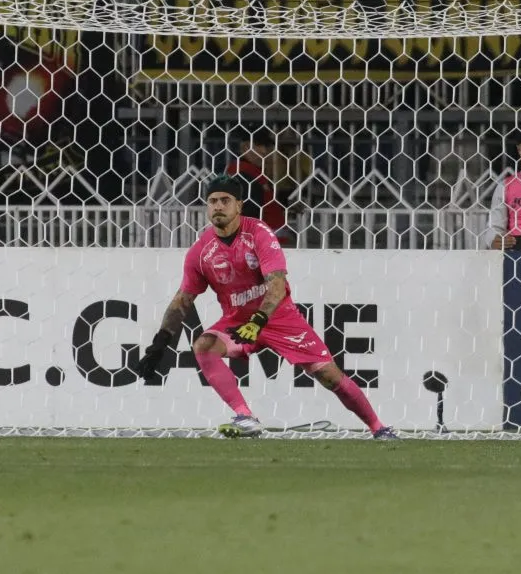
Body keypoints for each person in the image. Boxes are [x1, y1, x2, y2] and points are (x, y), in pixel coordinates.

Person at [134, 174, 397, 440]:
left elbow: (277, 286)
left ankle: (379, 428)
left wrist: (258, 321)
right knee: (204, 346)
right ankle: (245, 417)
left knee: (329, 375)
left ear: (239, 205)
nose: (218, 206)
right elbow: (182, 301)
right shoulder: (200, 252)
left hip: (279, 319)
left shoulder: (258, 233)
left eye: (225, 200)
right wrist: (160, 343)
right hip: (237, 321)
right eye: (212, 201)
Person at [226, 127, 288, 238]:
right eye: (259, 145)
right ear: (246, 147)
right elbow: (248, 213)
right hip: (264, 244)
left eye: (266, 146)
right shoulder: (243, 173)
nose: (264, 151)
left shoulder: (252, 171)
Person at [487, 128, 521, 252]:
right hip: (516, 255)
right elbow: (494, 227)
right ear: (518, 150)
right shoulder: (505, 186)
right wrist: (495, 240)